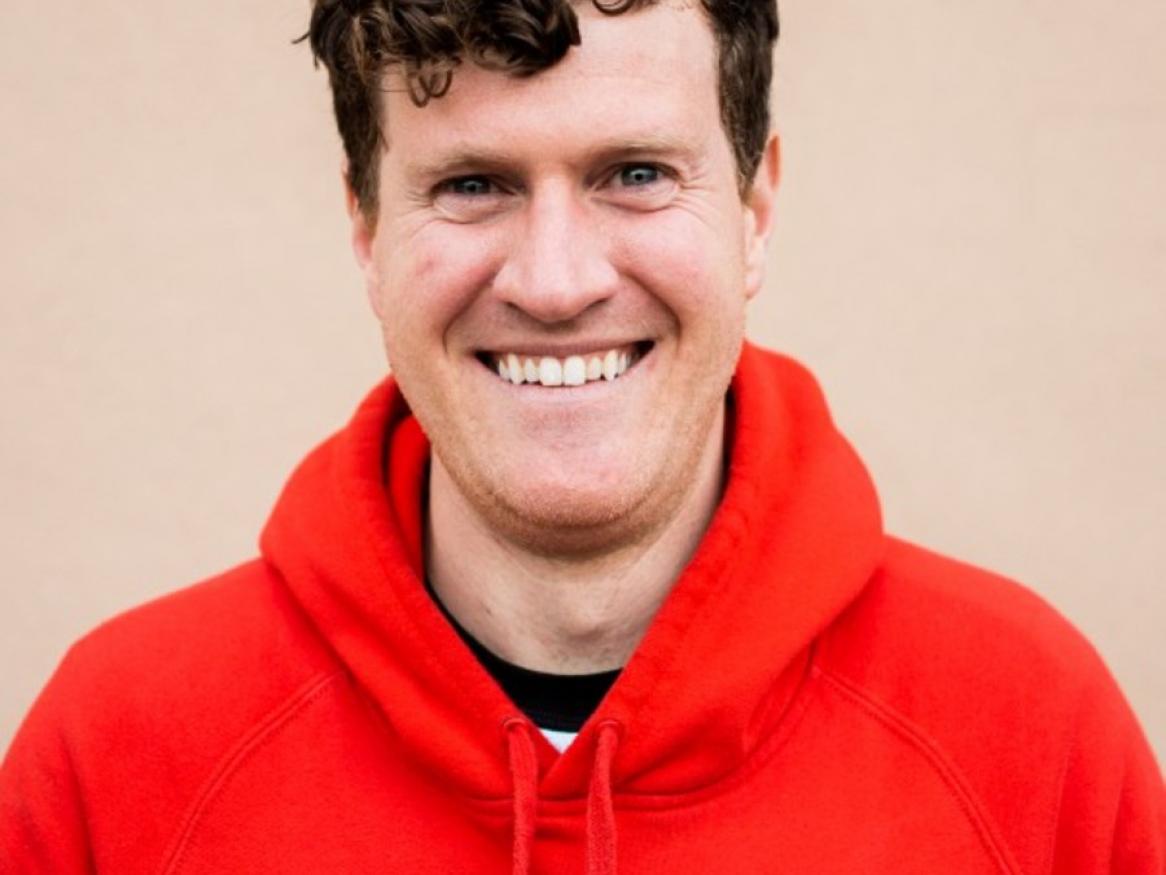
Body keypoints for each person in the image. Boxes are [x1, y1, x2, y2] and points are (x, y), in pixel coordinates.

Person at [1, 0, 1162, 870]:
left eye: (636, 173)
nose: (555, 282)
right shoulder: (117, 759)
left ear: (754, 210)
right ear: (363, 228)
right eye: (470, 184)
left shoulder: (1030, 737)